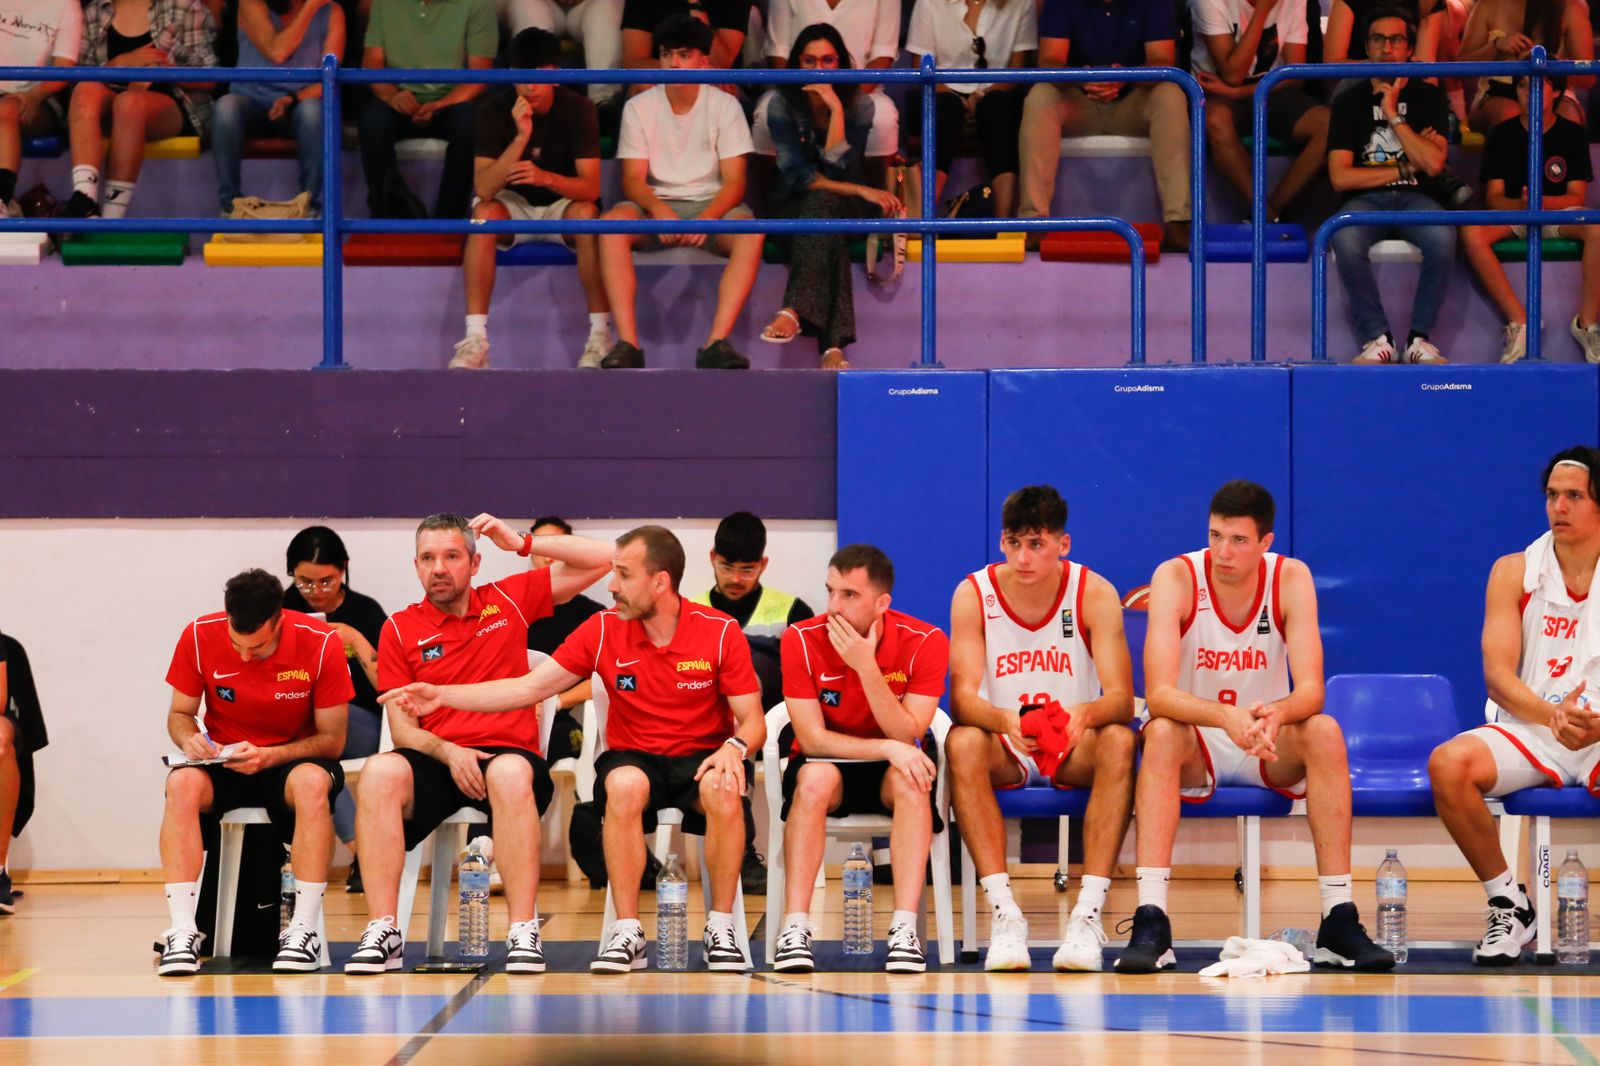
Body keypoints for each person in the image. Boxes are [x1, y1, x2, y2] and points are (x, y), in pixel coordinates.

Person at [381, 524, 767, 974]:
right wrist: (443, 695)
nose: (611, 585)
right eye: (614, 573)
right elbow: (527, 688)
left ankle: (721, 926)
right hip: (635, 757)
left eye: (623, 575)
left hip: (703, 756)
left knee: (724, 786)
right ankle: (627, 930)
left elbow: (754, 719)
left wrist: (735, 746)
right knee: (623, 786)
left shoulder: (719, 631)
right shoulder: (601, 629)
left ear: (660, 582)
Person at [1116, 481, 1393, 974]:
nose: (1223, 551)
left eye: (1238, 540)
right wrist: (1226, 716)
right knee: (1159, 731)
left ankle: (1338, 918)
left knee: (1324, 730)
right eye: (1215, 536)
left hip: (1265, 738)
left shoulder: (1290, 577)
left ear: (1265, 542)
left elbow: (1312, 690)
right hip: (1198, 739)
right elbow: (1159, 694)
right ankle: (1151, 919)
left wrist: (1277, 714)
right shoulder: (1176, 576)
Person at [344, 512, 613, 974]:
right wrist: (449, 752)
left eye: (452, 556)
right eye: (428, 558)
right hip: (437, 756)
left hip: (508, 756)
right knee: (379, 772)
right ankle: (384, 928)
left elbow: (609, 558)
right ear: (416, 566)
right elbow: (403, 732)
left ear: (474, 563)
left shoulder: (507, 599)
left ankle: (523, 929)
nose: (439, 568)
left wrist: (522, 543)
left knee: (509, 772)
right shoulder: (399, 629)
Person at [946, 485, 1136, 972]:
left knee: (1119, 739)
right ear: (1001, 541)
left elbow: (1120, 698)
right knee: (962, 742)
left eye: (1037, 544)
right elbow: (963, 699)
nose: (1023, 557)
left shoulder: (1094, 592)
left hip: (1072, 744)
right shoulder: (973, 594)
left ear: (1063, 544)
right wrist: (1003, 720)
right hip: (1005, 743)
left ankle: (1087, 914)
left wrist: (1083, 715)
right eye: (1014, 543)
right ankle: (1004, 915)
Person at [1428, 447, 1600, 965]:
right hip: (1533, 728)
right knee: (1449, 764)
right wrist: (1553, 715)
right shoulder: (1514, 571)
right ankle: (1509, 903)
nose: (1559, 507)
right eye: (1552, 495)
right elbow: (1498, 677)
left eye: (1574, 496)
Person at [158, 569, 353, 976]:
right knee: (182, 782)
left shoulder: (321, 643)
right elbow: (180, 714)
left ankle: (303, 928)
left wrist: (269, 756)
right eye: (237, 644)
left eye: (259, 647)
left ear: (279, 621)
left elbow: (332, 741)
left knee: (313, 783)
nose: (246, 657)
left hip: (289, 761)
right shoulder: (198, 635)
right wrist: (190, 738)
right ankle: (183, 929)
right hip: (225, 760)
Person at [771, 544, 947, 973]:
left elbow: (906, 733)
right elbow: (812, 740)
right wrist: (885, 747)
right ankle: (795, 927)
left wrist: (866, 667)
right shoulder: (801, 639)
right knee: (813, 781)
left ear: (882, 603)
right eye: (830, 591)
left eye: (849, 595)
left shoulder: (926, 641)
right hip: (828, 762)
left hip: (893, 770)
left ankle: (904, 928)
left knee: (913, 782)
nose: (834, 606)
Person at [597, 15, 763, 370]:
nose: (673, 63)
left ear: (704, 60)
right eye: (666, 54)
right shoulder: (639, 106)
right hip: (655, 206)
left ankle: (716, 343)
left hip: (713, 206)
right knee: (610, 226)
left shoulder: (726, 106)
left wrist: (707, 218)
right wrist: (658, 209)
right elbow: (632, 180)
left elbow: (735, 182)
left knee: (751, 233)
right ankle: (628, 344)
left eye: (684, 54)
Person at [450, 28, 612, 371]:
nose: (530, 86)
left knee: (588, 215)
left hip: (562, 206)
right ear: (512, 76)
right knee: (481, 215)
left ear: (555, 75)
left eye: (539, 76)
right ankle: (475, 339)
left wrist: (545, 178)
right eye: (523, 77)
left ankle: (600, 336)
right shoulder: (493, 110)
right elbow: (484, 188)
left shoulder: (580, 109)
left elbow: (591, 190)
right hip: (513, 206)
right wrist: (520, 138)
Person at [756, 25, 901, 369]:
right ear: (797, 63)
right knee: (824, 219)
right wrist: (861, 189)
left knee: (825, 211)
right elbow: (801, 179)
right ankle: (833, 347)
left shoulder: (860, 105)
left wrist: (836, 110)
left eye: (827, 60)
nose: (818, 68)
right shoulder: (781, 105)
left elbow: (837, 171)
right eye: (809, 60)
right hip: (792, 202)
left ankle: (794, 310)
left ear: (840, 63)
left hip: (844, 205)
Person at [691, 510, 815, 892]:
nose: (735, 579)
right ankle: (741, 856)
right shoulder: (689, 611)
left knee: (752, 662)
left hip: (777, 731)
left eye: (747, 570)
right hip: (713, 733)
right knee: (724, 746)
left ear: (763, 564)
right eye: (727, 567)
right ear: (712, 558)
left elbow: (809, 684)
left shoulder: (792, 611)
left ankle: (750, 857)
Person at [1326, 7, 1453, 365]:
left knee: (1443, 237)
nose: (1387, 48)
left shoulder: (1429, 96)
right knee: (1344, 236)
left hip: (1419, 197)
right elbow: (1340, 176)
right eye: (1378, 40)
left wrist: (1393, 114)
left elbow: (1434, 164)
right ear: (1367, 47)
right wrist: (1408, 163)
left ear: (1409, 48)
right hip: (1366, 200)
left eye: (1396, 40)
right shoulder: (1348, 101)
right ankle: (1377, 338)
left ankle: (1418, 340)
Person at [1018, 0, 1191, 251]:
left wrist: (1124, 77)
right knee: (1040, 95)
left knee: (1171, 94)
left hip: (1134, 101)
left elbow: (1162, 60)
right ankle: (1034, 221)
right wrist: (1083, 78)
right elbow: (1049, 60)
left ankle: (1178, 222)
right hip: (1079, 102)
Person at [1461, 76, 1600, 364]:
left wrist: (1541, 203)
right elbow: (1494, 199)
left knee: (1596, 228)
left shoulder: (1572, 133)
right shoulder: (1502, 134)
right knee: (1471, 232)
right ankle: (1521, 320)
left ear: (1557, 91)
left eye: (1538, 85)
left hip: (1557, 215)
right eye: (1523, 86)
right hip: (1516, 214)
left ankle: (1587, 324)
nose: (1528, 92)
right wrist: (1523, 205)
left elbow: (1576, 196)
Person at [280, 526, 388, 895]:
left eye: (326, 581)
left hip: (362, 722)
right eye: (305, 582)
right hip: (300, 722)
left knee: (314, 739)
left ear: (343, 570)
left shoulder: (365, 611)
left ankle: (363, 854)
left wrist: (355, 640)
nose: (316, 591)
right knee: (314, 760)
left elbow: (389, 684)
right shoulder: (283, 611)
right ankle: (364, 852)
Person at [61, 0, 218, 219]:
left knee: (129, 103)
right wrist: (118, 65)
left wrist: (164, 70)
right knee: (85, 90)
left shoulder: (183, 6)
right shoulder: (95, 10)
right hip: (110, 103)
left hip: (170, 106)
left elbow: (210, 77)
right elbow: (73, 80)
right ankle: (84, 200)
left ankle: (112, 219)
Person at [1190, 0, 1331, 221]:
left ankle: (1269, 214)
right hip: (1217, 93)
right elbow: (1232, 75)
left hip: (1271, 91)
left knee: (1328, 125)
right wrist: (1262, 11)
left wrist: (1240, 93)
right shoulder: (1210, 2)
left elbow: (1296, 74)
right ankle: (1268, 215)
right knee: (1215, 120)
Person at [358, 0, 496, 219]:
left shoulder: (478, 5)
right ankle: (393, 215)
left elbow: (480, 75)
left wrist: (441, 104)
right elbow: (372, 62)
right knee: (372, 123)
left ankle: (449, 221)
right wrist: (393, 96)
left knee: (471, 123)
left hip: (452, 101)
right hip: (400, 97)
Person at [210, 0, 344, 215]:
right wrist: (310, 8)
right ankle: (230, 205)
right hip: (252, 103)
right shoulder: (250, 3)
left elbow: (329, 80)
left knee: (313, 111)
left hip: (298, 105)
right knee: (226, 107)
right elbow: (278, 51)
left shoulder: (332, 11)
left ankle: (309, 206)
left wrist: (293, 99)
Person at [904, 0, 1034, 218]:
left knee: (999, 107)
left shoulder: (1021, 4)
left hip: (996, 93)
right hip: (940, 92)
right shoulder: (928, 3)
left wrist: (980, 97)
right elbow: (920, 68)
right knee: (946, 109)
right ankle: (923, 218)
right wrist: (959, 100)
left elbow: (1017, 70)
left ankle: (1004, 222)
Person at [1458, 0, 1592, 132]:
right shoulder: (1487, 5)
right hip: (1496, 92)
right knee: (1509, 115)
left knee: (1568, 115)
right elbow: (1460, 67)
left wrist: (1546, 63)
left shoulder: (1570, 7)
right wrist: (1495, 47)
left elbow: (1588, 78)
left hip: (1554, 93)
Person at [0, 0, 80, 218]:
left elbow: (64, 70)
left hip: (40, 99)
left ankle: (2, 200)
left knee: (5, 111)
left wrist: (36, 95)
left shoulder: (65, 5)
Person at [498, 0, 625, 110]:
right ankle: (527, 102)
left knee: (607, 8)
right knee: (528, 7)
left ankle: (604, 104)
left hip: (589, 4)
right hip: (542, 4)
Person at [621, 0, 750, 73]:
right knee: (643, 86)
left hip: (715, 83)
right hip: (659, 79)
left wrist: (695, 6)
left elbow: (721, 65)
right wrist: (685, 70)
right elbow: (633, 63)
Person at [1323, 0, 1445, 62]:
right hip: (1358, 87)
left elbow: (1426, 68)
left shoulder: (1428, 2)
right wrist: (1380, 68)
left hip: (1408, 87)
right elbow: (1332, 64)